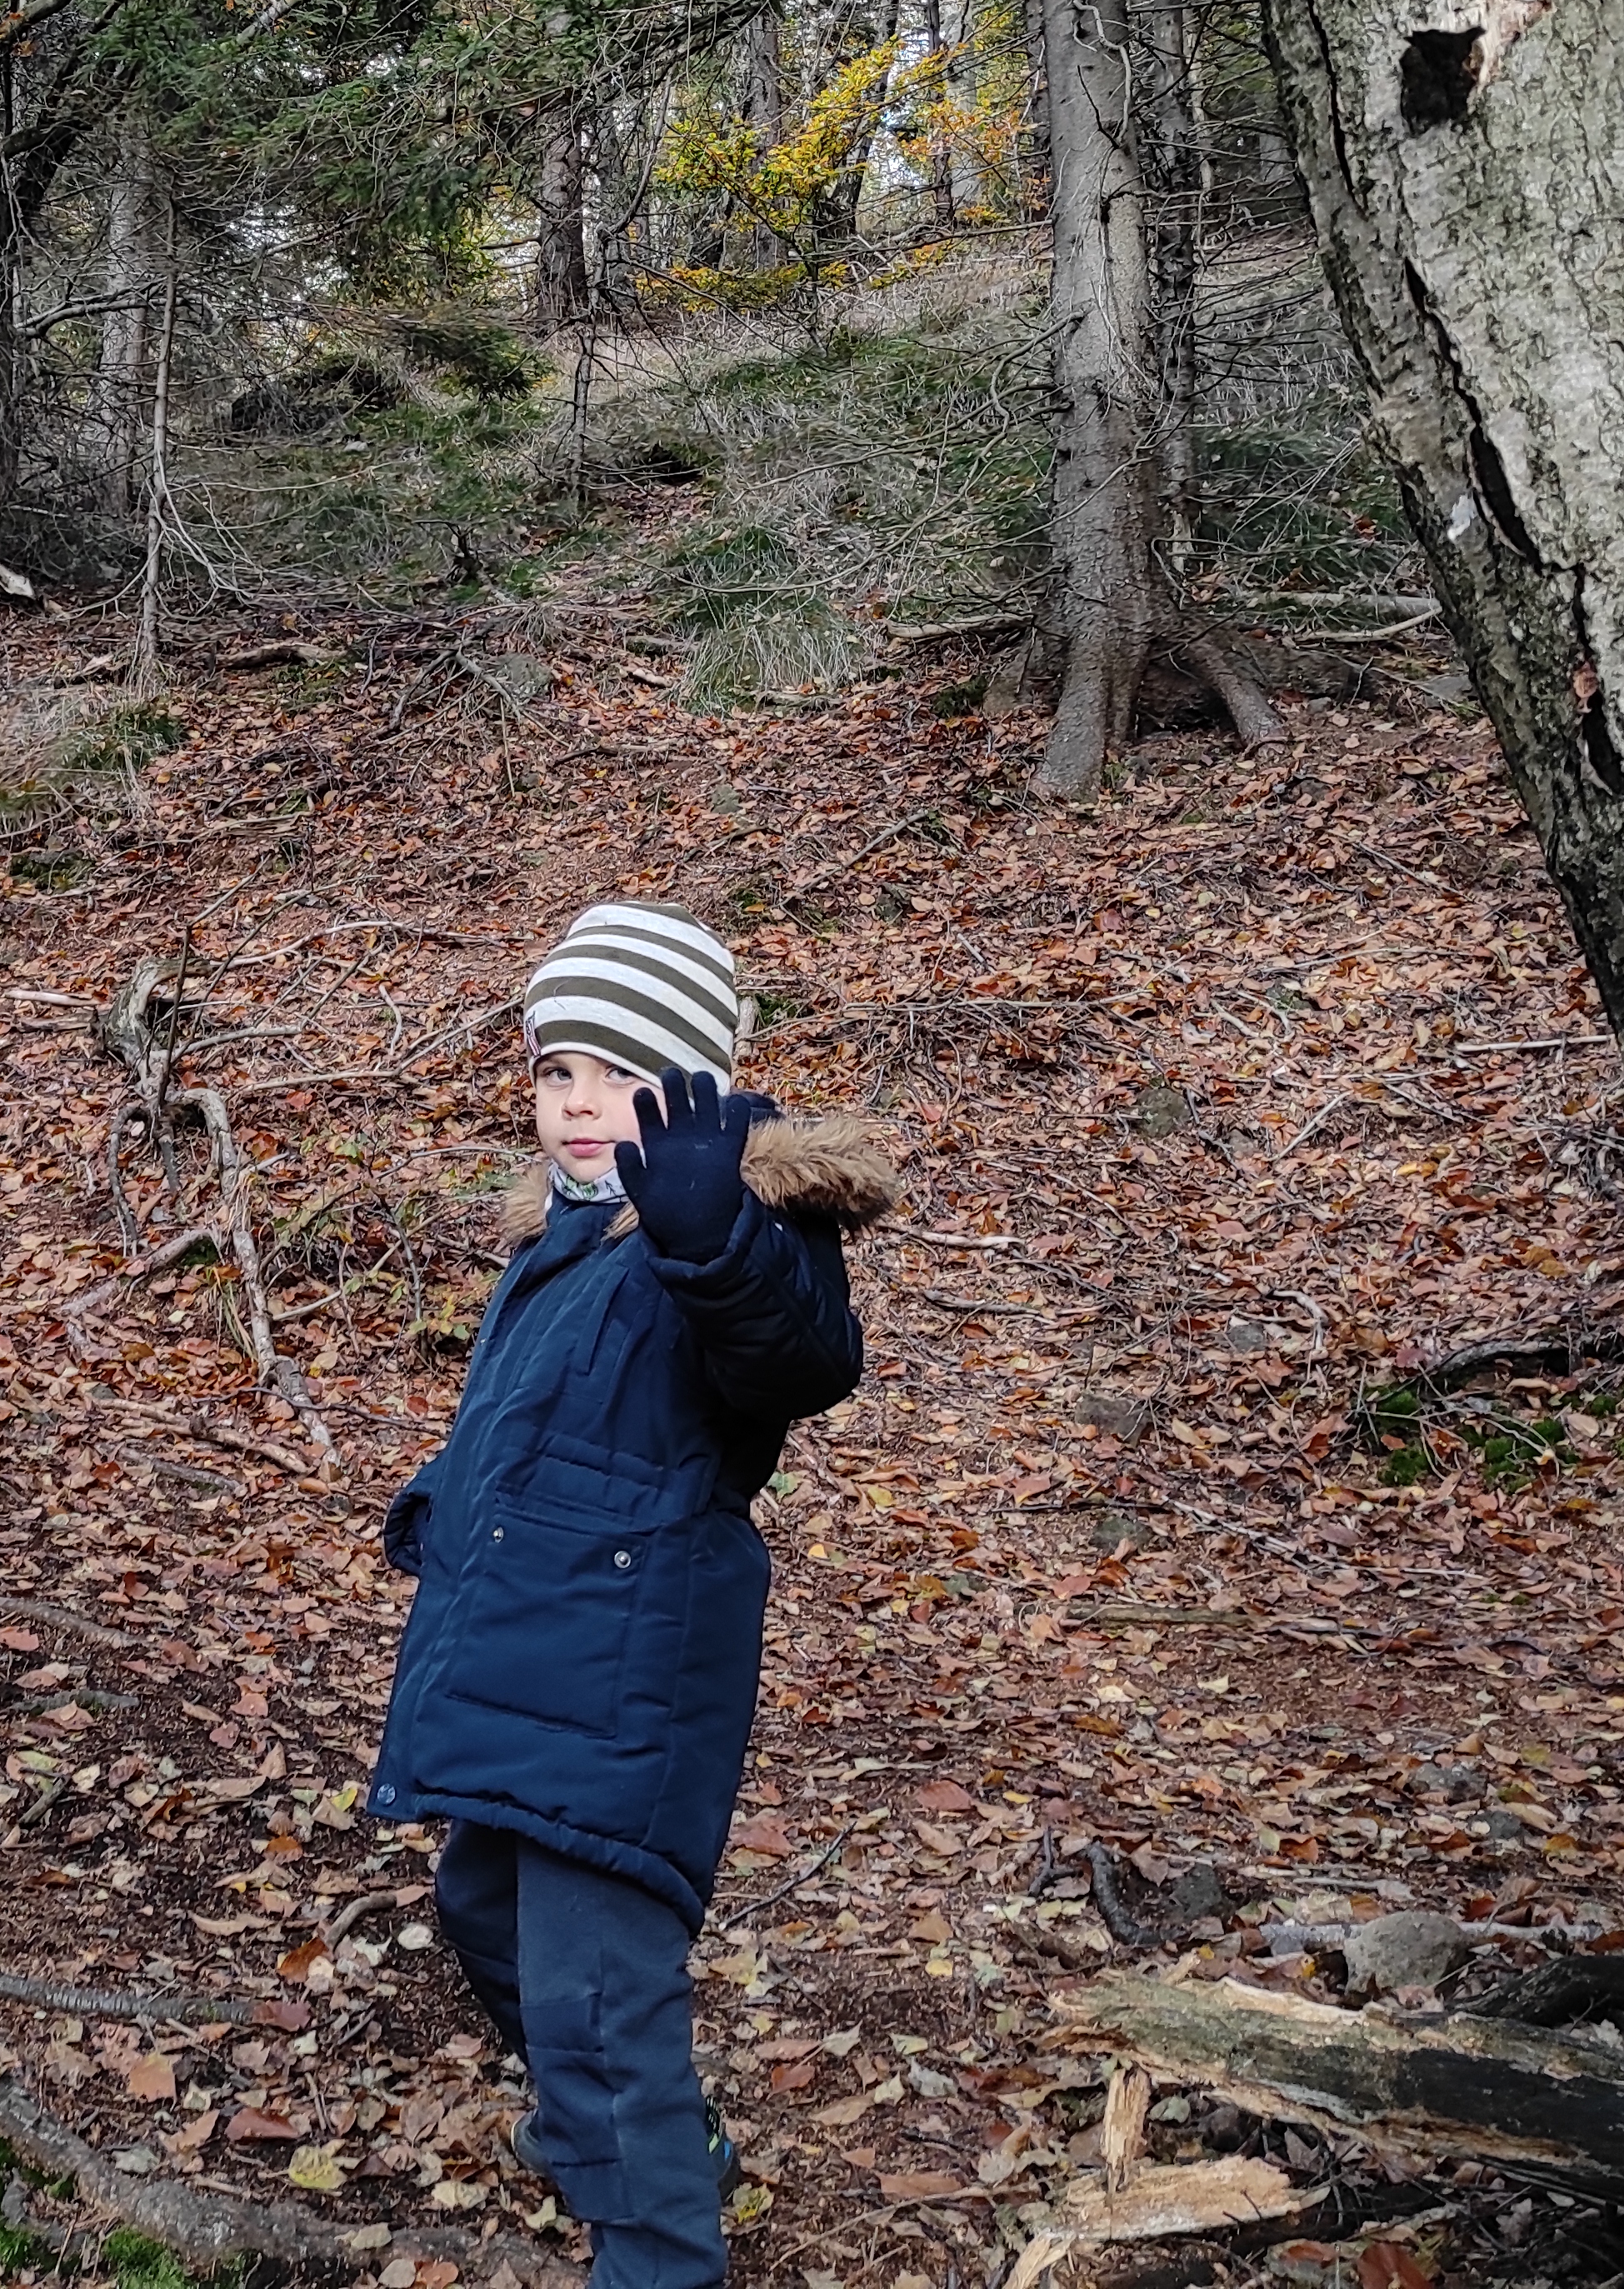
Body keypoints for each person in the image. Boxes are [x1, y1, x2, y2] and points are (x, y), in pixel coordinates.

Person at [371, 900, 897, 2288]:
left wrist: (710, 1232)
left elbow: (795, 1362)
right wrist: (446, 1503)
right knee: (485, 1915)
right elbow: (539, 1423)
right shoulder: (563, 1237)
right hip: (524, 1654)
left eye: (618, 1074)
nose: (579, 1103)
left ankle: (659, 2241)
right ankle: (653, 2145)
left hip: (628, 1672)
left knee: (601, 2010)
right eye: (556, 1072)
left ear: (693, 1089)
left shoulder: (721, 1228)